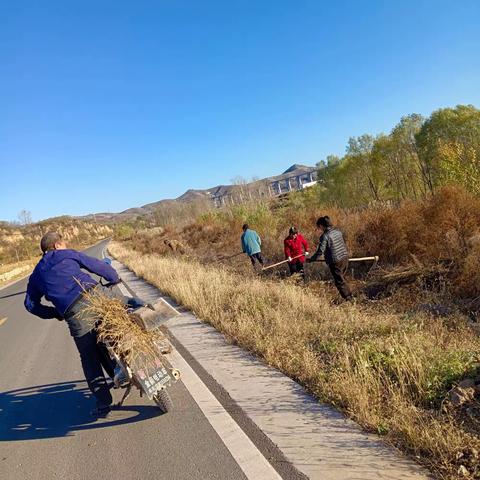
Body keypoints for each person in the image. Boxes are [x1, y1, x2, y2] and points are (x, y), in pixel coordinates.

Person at [24, 232, 134, 417]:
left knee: (89, 356)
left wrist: (55, 313)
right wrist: (114, 278)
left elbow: (30, 305)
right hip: (97, 296)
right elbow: (97, 266)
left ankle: (103, 403)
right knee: (129, 304)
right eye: (64, 243)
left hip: (74, 314)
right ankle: (146, 331)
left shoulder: (36, 275)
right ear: (57, 245)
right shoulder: (67, 253)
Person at [307, 216, 353, 301]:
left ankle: (349, 299)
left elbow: (320, 251)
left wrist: (311, 259)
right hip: (345, 258)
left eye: (318, 227)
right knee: (342, 279)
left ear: (321, 226)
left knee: (339, 282)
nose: (319, 229)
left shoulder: (325, 236)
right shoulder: (338, 232)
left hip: (335, 261)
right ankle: (348, 296)